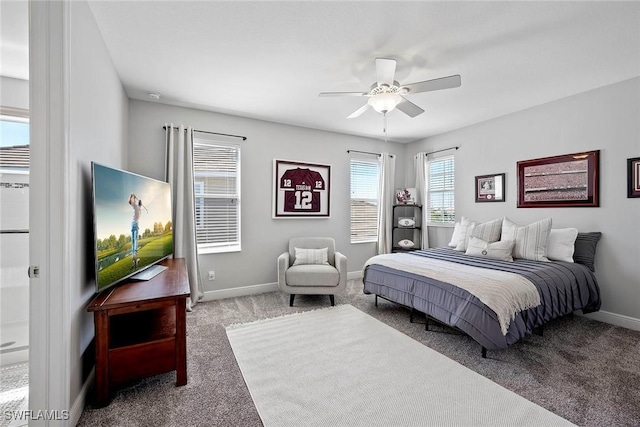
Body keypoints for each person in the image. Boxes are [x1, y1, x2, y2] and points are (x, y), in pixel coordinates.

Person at [128, 193, 142, 269]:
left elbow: (129, 201)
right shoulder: (139, 208)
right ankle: (135, 258)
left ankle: (134, 259)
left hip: (132, 223)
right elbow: (134, 203)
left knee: (133, 242)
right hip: (136, 224)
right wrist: (135, 198)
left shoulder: (136, 207)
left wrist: (132, 196)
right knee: (135, 241)